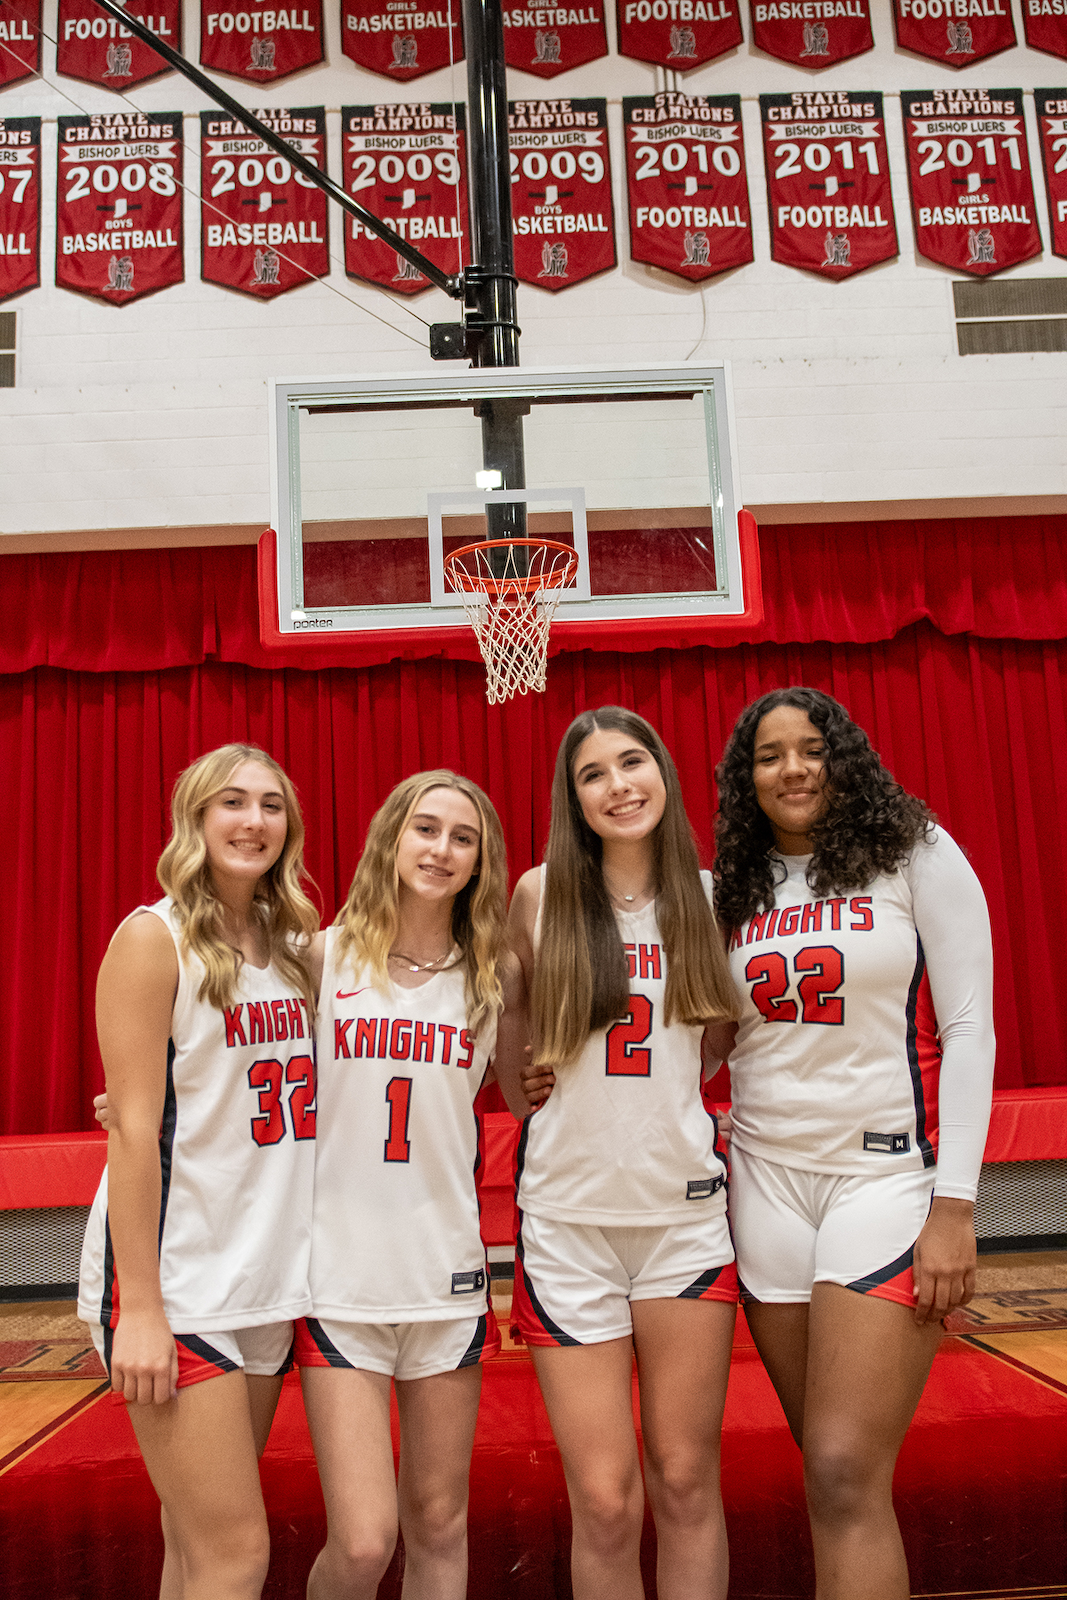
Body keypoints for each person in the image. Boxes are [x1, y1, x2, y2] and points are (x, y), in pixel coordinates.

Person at [713, 686, 995, 1600]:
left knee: (842, 1467)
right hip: (764, 1185)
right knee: (829, 1471)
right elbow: (706, 1039)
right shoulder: (730, 887)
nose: (791, 769)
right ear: (745, 779)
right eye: (768, 756)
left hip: (882, 1180)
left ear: (843, 757)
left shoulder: (914, 852)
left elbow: (969, 1029)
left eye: (809, 749)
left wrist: (954, 1206)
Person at [78, 744, 320, 1600]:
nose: (253, 821)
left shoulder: (296, 949)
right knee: (236, 1555)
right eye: (232, 802)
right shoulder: (154, 940)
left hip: (262, 1277)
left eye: (270, 805)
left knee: (193, 1547)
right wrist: (141, 1308)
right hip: (176, 1281)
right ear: (195, 818)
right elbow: (132, 1129)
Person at [509, 707, 740, 1600]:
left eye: (631, 762)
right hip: (567, 1227)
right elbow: (508, 1029)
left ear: (663, 774)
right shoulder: (539, 895)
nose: (617, 786)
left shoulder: (713, 899)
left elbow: (718, 1043)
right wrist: (520, 1081)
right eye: (592, 774)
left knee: (684, 1480)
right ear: (572, 800)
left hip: (682, 1225)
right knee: (604, 1502)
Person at [296, 769, 526, 1600]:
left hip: (445, 1274)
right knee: (362, 1543)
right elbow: (244, 1064)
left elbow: (536, 1091)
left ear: (480, 862)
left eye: (463, 838)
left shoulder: (493, 975)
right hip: (340, 1279)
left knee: (439, 1522)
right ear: (390, 838)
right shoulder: (322, 955)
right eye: (425, 829)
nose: (441, 849)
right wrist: (147, 1093)